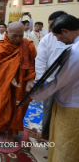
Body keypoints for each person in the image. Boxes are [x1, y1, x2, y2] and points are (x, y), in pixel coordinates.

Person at [27, 14, 79, 162]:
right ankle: (47, 135)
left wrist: (32, 96)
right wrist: (38, 78)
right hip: (62, 89)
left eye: (58, 35)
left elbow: (59, 82)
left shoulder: (75, 51)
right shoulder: (71, 44)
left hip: (73, 103)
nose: (57, 39)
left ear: (66, 31)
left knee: (67, 144)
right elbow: (41, 59)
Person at [0, 22, 36, 142]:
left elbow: (31, 64)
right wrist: (7, 77)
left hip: (19, 84)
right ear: (7, 33)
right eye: (14, 36)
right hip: (1, 84)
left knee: (15, 107)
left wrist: (30, 80)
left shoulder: (27, 45)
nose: (17, 39)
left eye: (20, 35)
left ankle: (11, 132)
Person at [34, 11, 68, 140]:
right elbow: (41, 59)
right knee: (48, 107)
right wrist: (39, 79)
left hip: (71, 82)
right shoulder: (48, 39)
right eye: (51, 25)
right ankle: (45, 132)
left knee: (66, 109)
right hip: (51, 79)